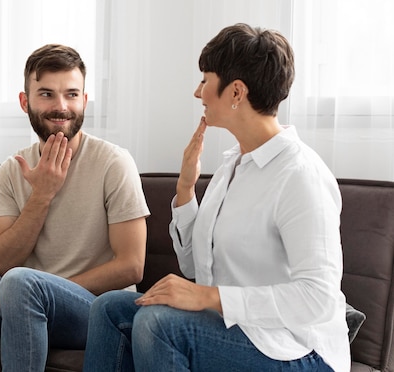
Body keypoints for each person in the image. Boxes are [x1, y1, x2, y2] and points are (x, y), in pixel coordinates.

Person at [83, 23, 350, 372]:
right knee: (109, 308)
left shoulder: (300, 176)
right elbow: (195, 268)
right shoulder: (231, 166)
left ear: (236, 91)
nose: (198, 92)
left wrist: (210, 297)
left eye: (205, 80)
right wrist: (184, 190)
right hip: (238, 331)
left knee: (157, 324)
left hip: (299, 350)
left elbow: (319, 298)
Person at [0, 44, 150, 371]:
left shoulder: (113, 162)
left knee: (21, 282)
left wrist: (45, 289)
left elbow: (131, 266)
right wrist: (42, 195)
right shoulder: (12, 169)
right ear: (26, 102)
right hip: (17, 299)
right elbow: (0, 261)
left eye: (72, 94)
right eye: (47, 94)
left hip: (90, 310)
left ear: (84, 101)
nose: (61, 106)